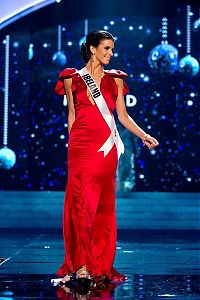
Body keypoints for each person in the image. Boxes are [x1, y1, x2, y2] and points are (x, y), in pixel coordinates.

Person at [54, 30, 159, 285]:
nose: (111, 53)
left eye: (112, 49)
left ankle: (97, 262)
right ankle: (80, 264)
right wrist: (72, 144)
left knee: (100, 206)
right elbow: (72, 115)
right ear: (92, 48)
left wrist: (144, 135)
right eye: (106, 48)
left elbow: (122, 117)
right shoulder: (71, 78)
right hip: (79, 149)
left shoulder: (116, 80)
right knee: (80, 205)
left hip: (105, 150)